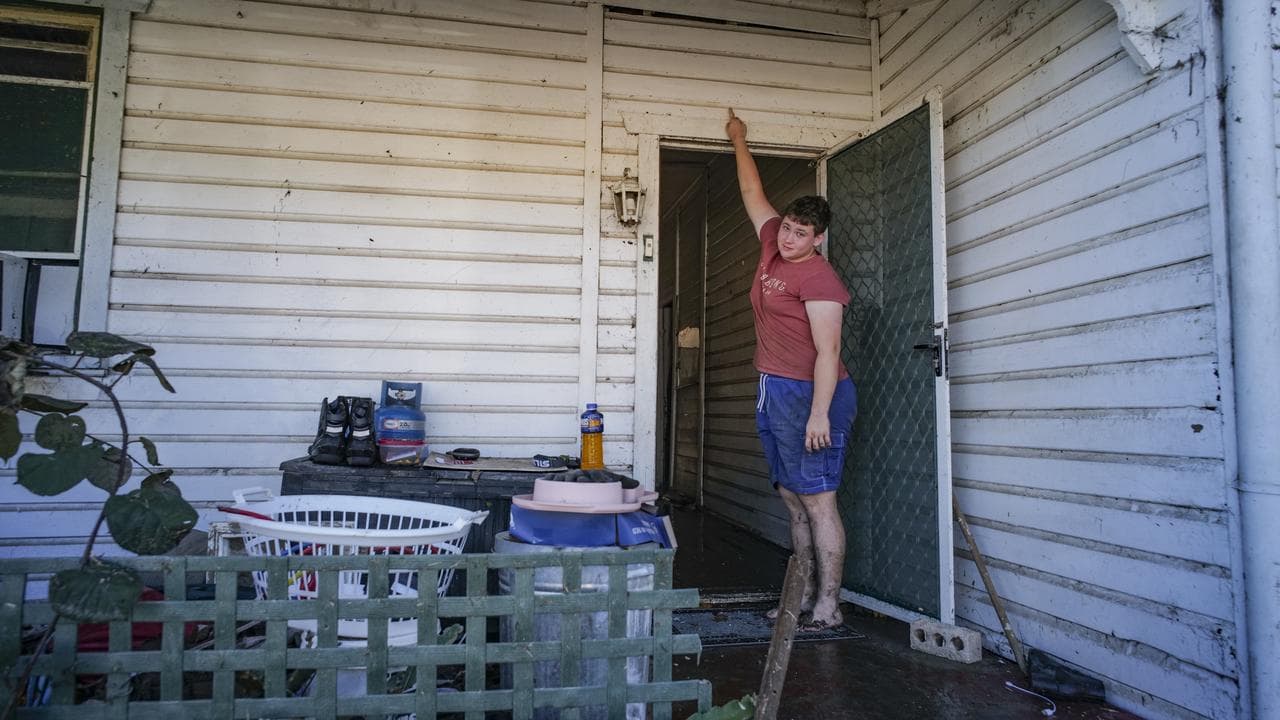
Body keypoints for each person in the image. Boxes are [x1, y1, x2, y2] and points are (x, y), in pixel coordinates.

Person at [725, 108, 857, 631]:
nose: (788, 239)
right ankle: (799, 597)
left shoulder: (820, 279)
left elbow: (828, 352)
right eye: (787, 229)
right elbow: (751, 191)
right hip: (773, 388)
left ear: (818, 239)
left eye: (801, 234)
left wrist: (819, 414)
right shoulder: (771, 243)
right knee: (792, 498)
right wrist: (739, 138)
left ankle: (829, 605)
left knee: (819, 501)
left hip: (812, 393)